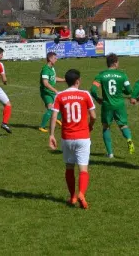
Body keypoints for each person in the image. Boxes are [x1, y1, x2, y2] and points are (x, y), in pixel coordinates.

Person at [48, 69, 96, 209]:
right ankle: (82, 193)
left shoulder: (60, 96)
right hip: (83, 137)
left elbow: (54, 116)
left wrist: (51, 135)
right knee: (83, 169)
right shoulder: (85, 94)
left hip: (67, 137)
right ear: (78, 81)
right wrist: (90, 126)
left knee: (69, 167)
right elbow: (93, 116)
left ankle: (73, 196)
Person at [90, 53, 135, 158]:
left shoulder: (101, 75)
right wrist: (120, 90)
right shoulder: (122, 75)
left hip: (107, 105)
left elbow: (93, 90)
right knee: (123, 125)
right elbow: (129, 91)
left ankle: (110, 153)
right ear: (115, 63)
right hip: (119, 104)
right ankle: (129, 139)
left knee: (106, 127)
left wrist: (97, 99)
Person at [38, 52, 65, 133]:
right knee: (51, 108)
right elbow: (45, 83)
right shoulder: (45, 70)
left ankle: (57, 119)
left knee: (59, 106)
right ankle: (42, 127)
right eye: (55, 58)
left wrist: (64, 80)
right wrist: (55, 90)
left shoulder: (52, 68)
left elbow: (53, 78)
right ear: (50, 59)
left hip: (50, 92)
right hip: (46, 92)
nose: (56, 59)